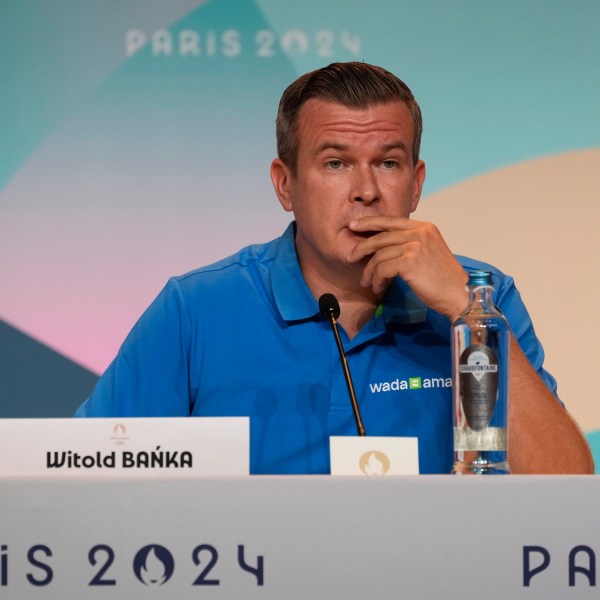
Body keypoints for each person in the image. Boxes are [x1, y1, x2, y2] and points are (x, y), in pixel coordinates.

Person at [76, 62, 593, 475]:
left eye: (388, 163)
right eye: (336, 163)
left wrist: (467, 311)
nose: (366, 190)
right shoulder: (197, 309)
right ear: (285, 184)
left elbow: (565, 490)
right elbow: (86, 473)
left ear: (416, 184)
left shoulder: (483, 294)